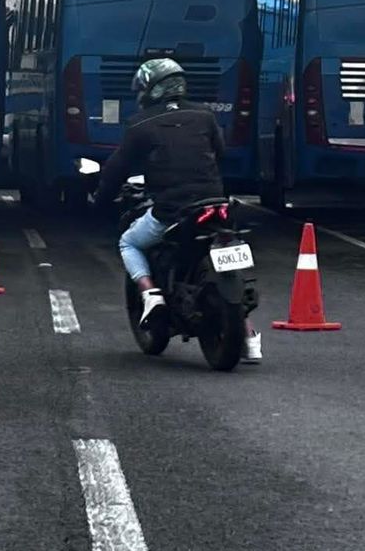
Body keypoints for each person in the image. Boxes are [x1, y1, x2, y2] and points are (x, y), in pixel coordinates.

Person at [95, 57, 261, 363]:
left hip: (173, 210)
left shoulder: (140, 125)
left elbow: (115, 171)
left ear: (148, 90)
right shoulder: (205, 116)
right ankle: (249, 335)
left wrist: (100, 197)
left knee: (129, 242)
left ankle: (150, 293)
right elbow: (219, 154)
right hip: (215, 204)